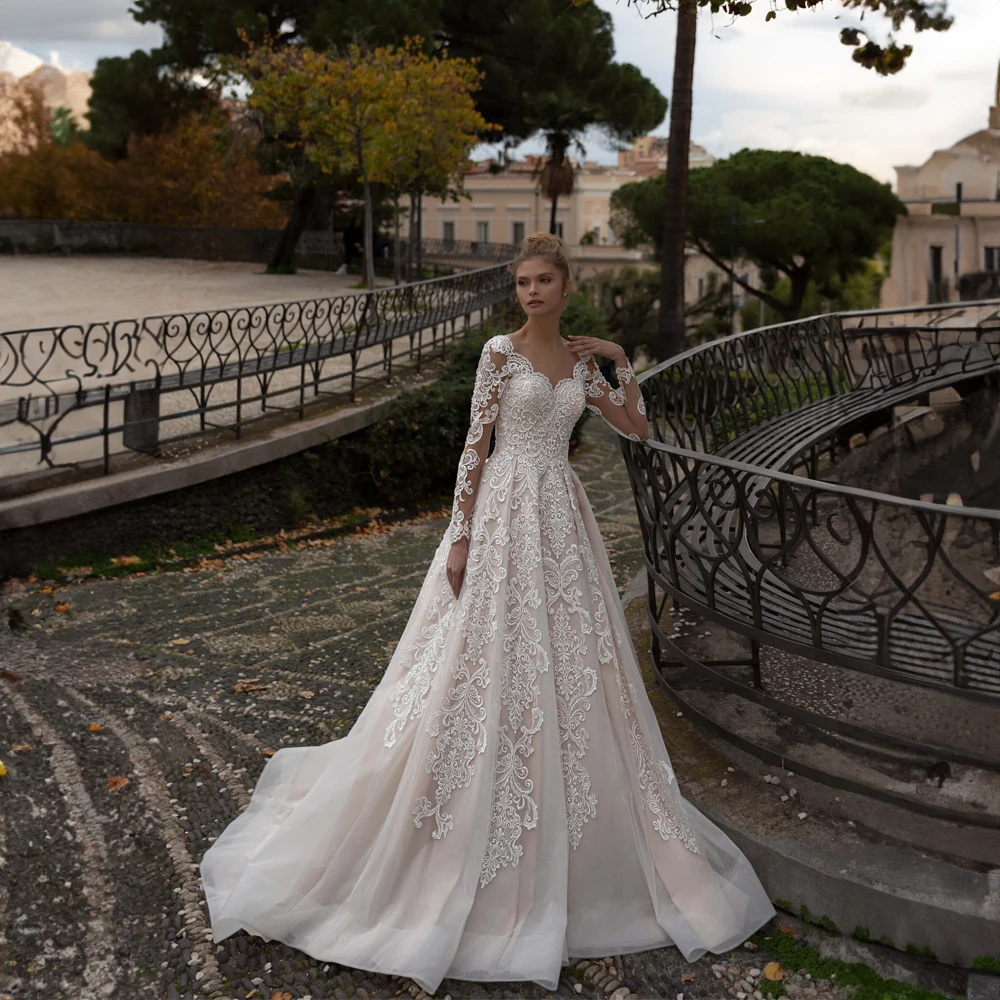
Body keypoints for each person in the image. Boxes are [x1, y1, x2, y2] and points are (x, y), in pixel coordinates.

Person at [200, 233, 776, 994]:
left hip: (561, 520)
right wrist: (461, 534)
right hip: (504, 508)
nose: (531, 291)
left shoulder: (578, 365)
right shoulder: (498, 354)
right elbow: (475, 445)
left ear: (566, 285)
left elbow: (635, 428)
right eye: (523, 281)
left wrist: (618, 357)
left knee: (575, 662)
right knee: (481, 654)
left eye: (543, 280)